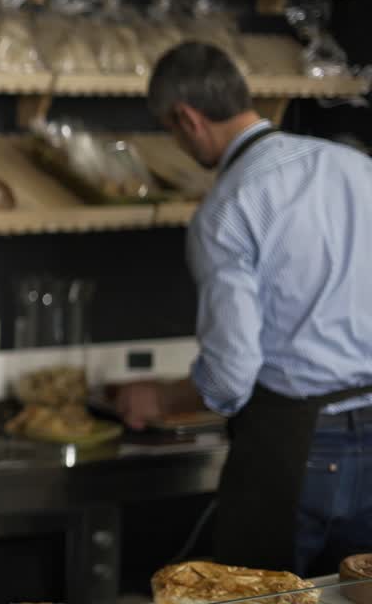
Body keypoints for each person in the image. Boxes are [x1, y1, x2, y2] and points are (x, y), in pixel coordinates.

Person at [114, 42, 372, 575]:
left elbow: (231, 377)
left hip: (297, 447)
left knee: (258, 596)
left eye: (170, 129)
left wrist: (160, 397)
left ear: (188, 119)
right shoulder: (354, 167)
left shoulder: (227, 209)